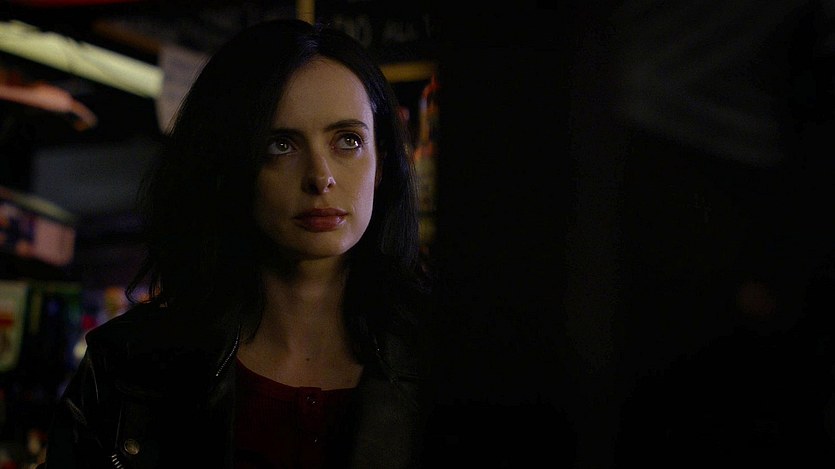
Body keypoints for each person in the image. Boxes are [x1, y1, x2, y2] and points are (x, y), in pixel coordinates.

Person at [37, 17, 433, 469]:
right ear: (229, 166)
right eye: (281, 145)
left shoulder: (449, 357)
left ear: (382, 164)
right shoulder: (128, 366)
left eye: (348, 140)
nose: (320, 177)